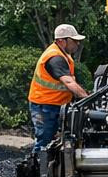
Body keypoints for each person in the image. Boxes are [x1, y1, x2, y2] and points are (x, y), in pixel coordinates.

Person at [28, 24, 90, 155]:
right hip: (44, 106)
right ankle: (36, 171)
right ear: (62, 41)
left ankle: (49, 170)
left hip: (54, 104)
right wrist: (87, 99)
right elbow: (68, 82)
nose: (77, 44)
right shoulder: (55, 58)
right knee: (44, 141)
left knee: (53, 141)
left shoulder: (63, 55)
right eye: (74, 41)